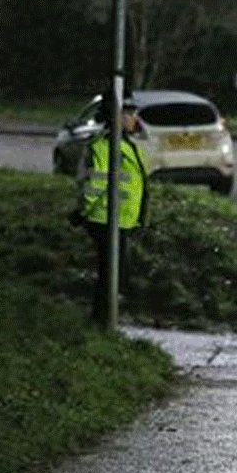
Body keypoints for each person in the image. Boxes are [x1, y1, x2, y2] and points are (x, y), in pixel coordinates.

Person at [69, 95, 149, 325]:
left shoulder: (124, 143)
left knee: (114, 274)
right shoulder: (105, 145)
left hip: (120, 219)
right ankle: (101, 322)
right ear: (117, 116)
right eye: (130, 113)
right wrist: (83, 212)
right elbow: (96, 183)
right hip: (105, 218)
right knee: (112, 275)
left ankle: (101, 320)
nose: (135, 118)